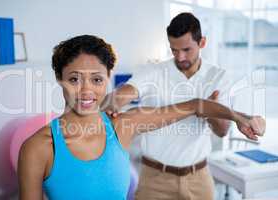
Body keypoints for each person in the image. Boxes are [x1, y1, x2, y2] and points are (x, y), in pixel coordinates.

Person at [18, 35, 265, 200]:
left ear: (107, 78)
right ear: (59, 79)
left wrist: (240, 117)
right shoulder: (38, 148)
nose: (85, 90)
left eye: (96, 79)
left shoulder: (123, 126)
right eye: (74, 79)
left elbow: (194, 105)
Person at [102, 13, 260, 200]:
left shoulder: (217, 77)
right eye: (174, 50)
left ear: (202, 42)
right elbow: (128, 90)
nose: (180, 56)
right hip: (154, 179)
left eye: (186, 49)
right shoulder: (153, 71)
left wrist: (209, 110)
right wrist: (114, 99)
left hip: (198, 178)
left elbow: (222, 131)